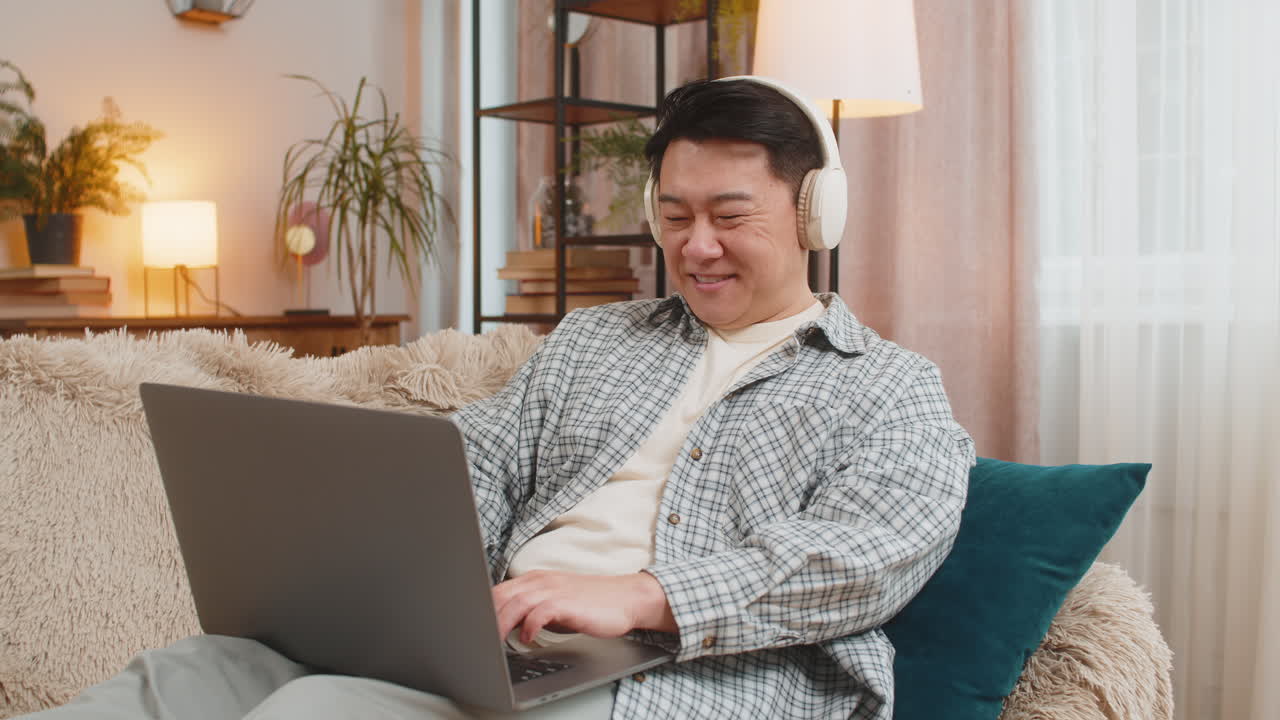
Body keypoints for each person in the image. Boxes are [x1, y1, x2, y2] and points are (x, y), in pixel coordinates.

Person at [19, 76, 973, 720]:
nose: (697, 246)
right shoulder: (598, 339)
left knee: (318, 710)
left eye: (730, 217)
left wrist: (636, 597)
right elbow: (473, 461)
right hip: (502, 641)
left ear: (813, 215)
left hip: (686, 679)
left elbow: (868, 556)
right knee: (189, 675)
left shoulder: (887, 386)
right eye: (675, 216)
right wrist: (391, 575)